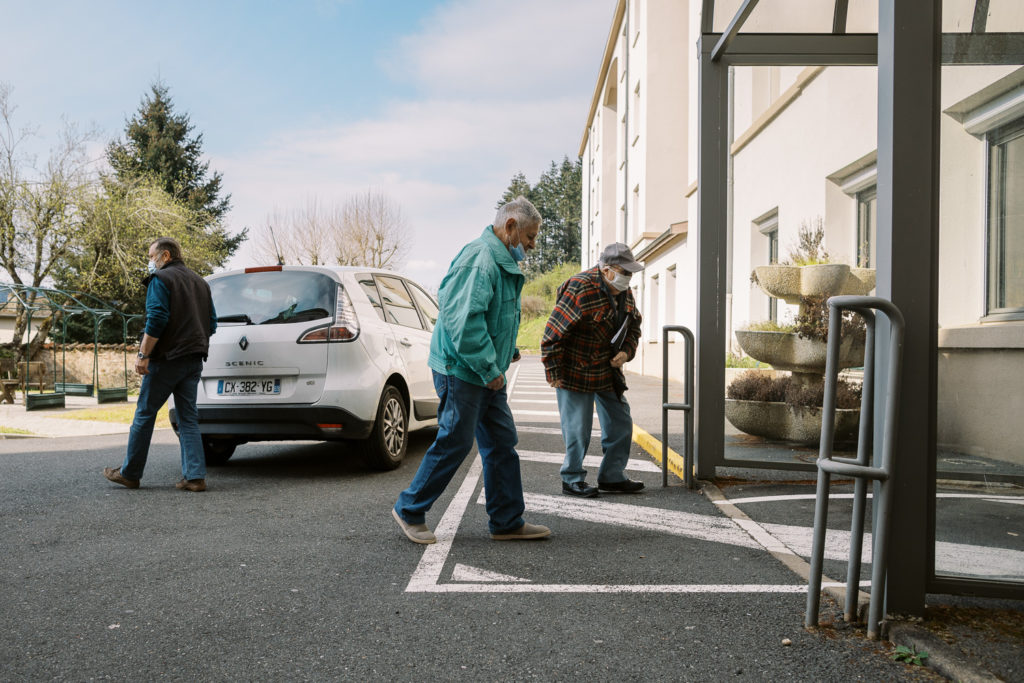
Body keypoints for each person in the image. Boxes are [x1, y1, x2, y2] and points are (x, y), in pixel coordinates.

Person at [392, 197, 551, 544]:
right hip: (463, 368)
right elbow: (464, 323)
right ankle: (409, 509)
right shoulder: (480, 259)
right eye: (530, 237)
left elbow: (496, 314)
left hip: (484, 368)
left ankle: (507, 521)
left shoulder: (500, 260)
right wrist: (489, 367)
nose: (532, 245)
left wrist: (506, 352)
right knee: (456, 440)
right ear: (510, 227)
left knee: (500, 441)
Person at [103, 237, 217, 492]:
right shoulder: (201, 283)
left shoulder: (161, 280)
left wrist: (143, 355)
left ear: (165, 256)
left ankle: (130, 473)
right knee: (188, 418)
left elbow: (156, 319)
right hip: (194, 359)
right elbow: (212, 323)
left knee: (145, 413)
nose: (150, 261)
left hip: (166, 360)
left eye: (151, 255)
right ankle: (195, 477)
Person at [541, 242, 644, 498]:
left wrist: (626, 352)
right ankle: (572, 479)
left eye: (631, 273)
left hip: (607, 369)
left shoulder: (625, 293)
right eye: (624, 272)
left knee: (621, 422)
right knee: (578, 428)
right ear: (607, 270)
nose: (627, 278)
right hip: (575, 369)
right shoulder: (580, 287)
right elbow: (552, 337)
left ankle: (612, 477)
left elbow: (634, 327)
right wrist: (554, 375)